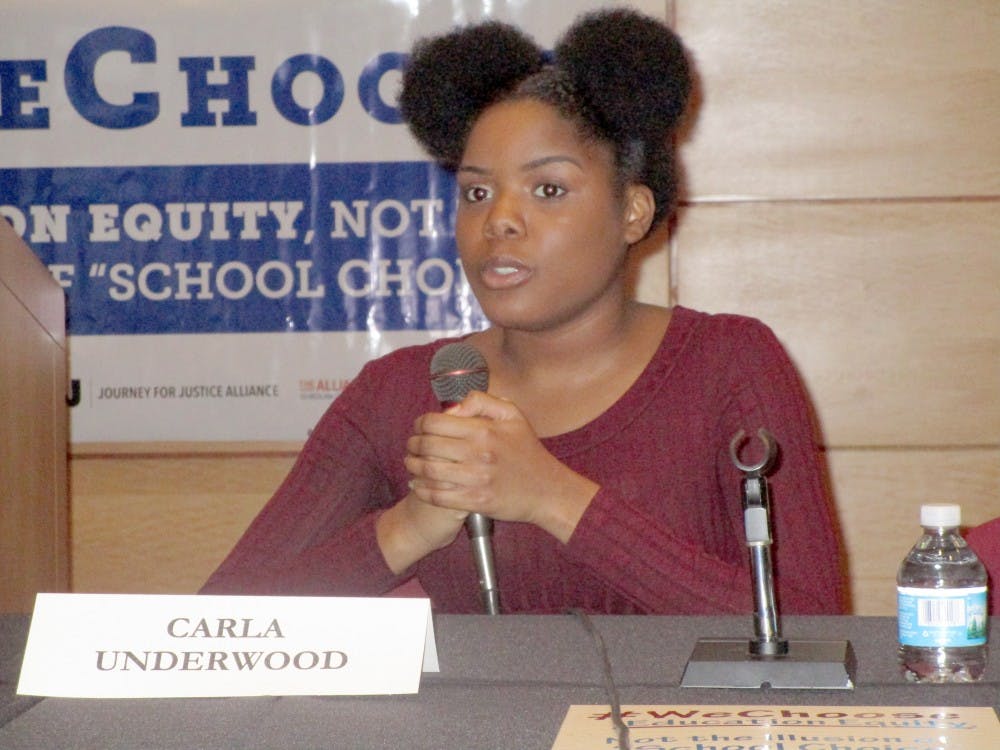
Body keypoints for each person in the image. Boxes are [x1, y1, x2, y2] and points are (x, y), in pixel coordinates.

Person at [201, 9, 847, 615]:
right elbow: (219, 621)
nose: (499, 220)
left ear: (633, 212)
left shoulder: (729, 364)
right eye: (477, 192)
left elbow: (813, 625)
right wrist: (407, 528)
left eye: (548, 189)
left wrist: (551, 496)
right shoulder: (397, 394)